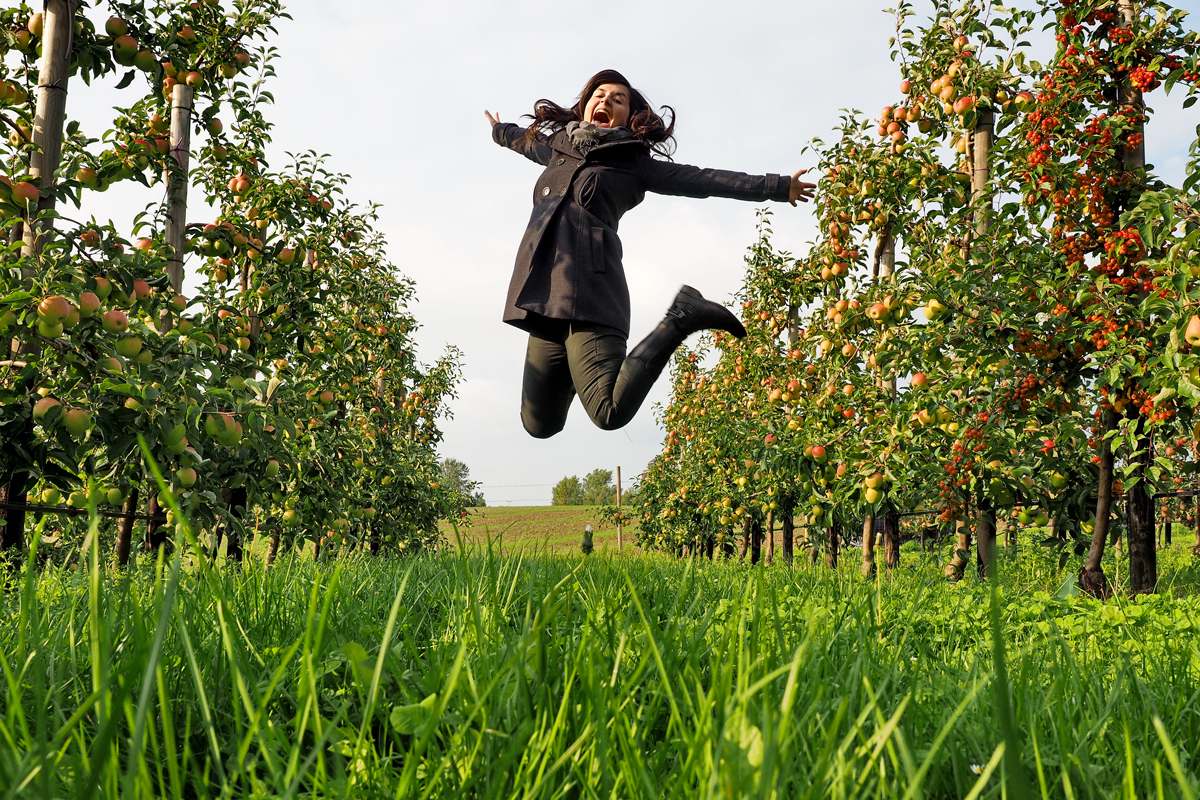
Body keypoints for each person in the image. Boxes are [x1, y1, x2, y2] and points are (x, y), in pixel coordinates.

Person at [486, 69, 815, 439]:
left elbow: (704, 179)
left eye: (617, 99)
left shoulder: (633, 163)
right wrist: (500, 132)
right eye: (599, 94)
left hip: (592, 296)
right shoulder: (557, 148)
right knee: (539, 424)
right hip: (545, 300)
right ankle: (582, 365)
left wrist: (777, 186)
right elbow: (521, 141)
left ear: (629, 116)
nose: (605, 101)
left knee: (608, 412)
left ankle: (682, 316)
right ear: (585, 105)